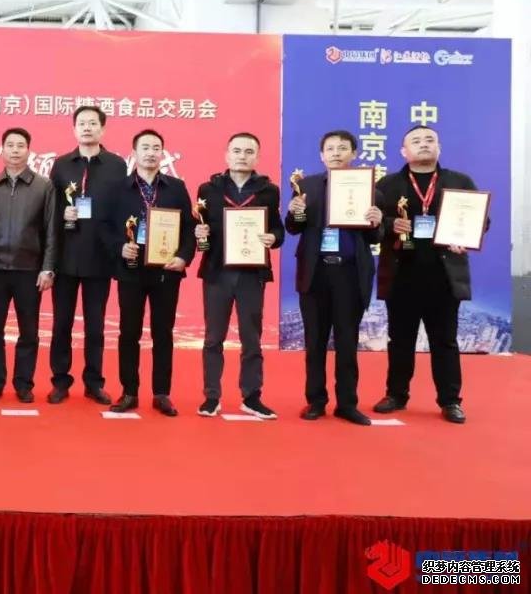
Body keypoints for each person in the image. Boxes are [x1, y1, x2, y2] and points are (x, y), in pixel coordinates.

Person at [373, 125, 484, 424]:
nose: (423, 144)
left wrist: (467, 236)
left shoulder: (459, 182)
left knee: (445, 341)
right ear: (403, 151)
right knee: (400, 340)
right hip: (401, 275)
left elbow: (480, 220)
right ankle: (396, 394)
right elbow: (372, 223)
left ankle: (450, 400)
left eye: (429, 140)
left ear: (439, 147)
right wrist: (390, 223)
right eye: (416, 141)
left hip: (443, 277)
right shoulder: (387, 184)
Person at [285, 130, 383, 426]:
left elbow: (376, 237)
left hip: (350, 274)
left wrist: (376, 221)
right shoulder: (306, 186)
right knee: (314, 342)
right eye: (330, 149)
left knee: (347, 342)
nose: (336, 153)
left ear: (354, 154)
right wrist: (296, 212)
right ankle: (316, 401)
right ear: (322, 155)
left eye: (343, 148)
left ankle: (347, 404)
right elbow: (293, 228)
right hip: (315, 273)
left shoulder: (369, 189)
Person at [102, 129, 196, 416]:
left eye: (156, 148)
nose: (151, 152)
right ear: (134, 153)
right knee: (129, 332)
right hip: (130, 270)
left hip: (166, 271)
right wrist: (119, 247)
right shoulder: (118, 188)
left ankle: (161, 393)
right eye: (145, 147)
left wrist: (183, 257)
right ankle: (129, 392)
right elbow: (104, 228)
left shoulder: (176, 187)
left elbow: (189, 229)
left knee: (163, 332)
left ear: (162, 153)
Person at [194, 132, 285, 419]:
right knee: (213, 338)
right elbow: (200, 227)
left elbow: (278, 229)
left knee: (251, 338)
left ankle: (251, 396)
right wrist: (199, 232)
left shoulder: (269, 191)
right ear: (227, 155)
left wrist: (273, 237)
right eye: (237, 151)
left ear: (257, 157)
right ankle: (211, 396)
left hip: (251, 273)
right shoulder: (208, 189)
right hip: (217, 272)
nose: (242, 156)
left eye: (248, 151)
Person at [47, 106, 126, 405]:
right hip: (66, 257)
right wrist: (62, 214)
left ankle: (94, 382)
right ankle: (60, 381)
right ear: (74, 129)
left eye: (93, 123)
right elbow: (50, 209)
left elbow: (121, 211)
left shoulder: (117, 165)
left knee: (95, 326)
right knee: (61, 324)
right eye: (82, 123)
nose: (87, 128)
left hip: (100, 258)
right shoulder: (61, 165)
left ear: (103, 129)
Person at [0, 128, 57, 404]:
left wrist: (47, 267)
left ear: (28, 150)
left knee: (29, 332)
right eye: (9, 145)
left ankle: (24, 384)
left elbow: (51, 230)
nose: (14, 150)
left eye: (20, 145)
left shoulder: (43, 186)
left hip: (29, 270)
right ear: (1, 150)